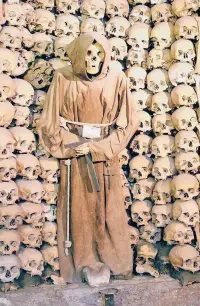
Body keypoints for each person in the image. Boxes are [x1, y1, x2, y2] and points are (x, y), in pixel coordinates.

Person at [39, 33, 139, 284]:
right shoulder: (63, 78)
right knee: (79, 211)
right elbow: (50, 121)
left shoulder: (117, 78)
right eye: (88, 55)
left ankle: (114, 260)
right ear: (78, 56)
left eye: (98, 55)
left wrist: (102, 148)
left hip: (105, 157)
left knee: (110, 209)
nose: (93, 61)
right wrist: (72, 146)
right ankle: (83, 260)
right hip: (75, 157)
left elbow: (128, 123)